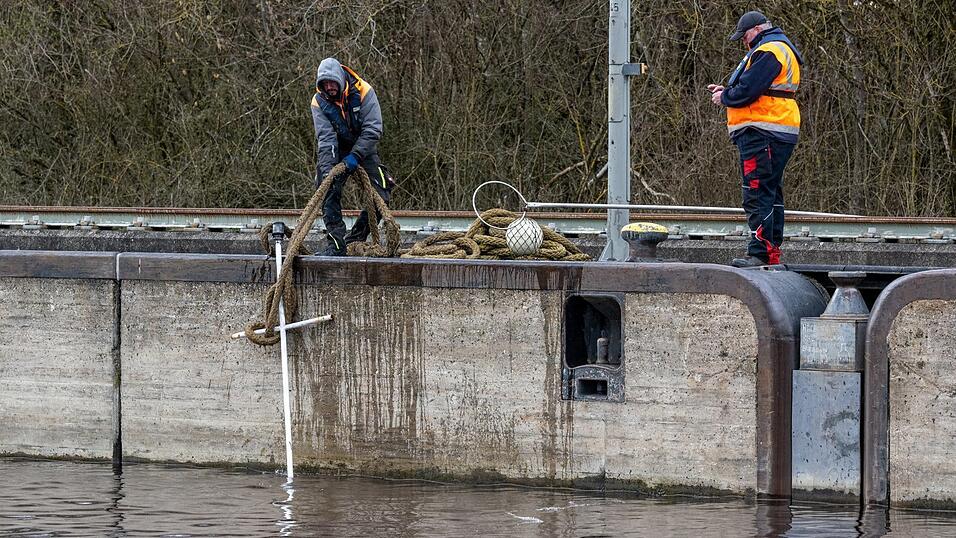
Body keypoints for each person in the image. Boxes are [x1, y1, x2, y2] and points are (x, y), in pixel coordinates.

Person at [707, 11, 803, 267]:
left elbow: (749, 89)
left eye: (744, 36)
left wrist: (725, 97)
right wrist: (727, 90)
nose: (743, 42)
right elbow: (760, 86)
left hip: (762, 131)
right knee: (770, 190)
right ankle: (771, 251)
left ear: (758, 29)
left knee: (757, 190)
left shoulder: (769, 50)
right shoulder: (779, 48)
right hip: (776, 128)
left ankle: (759, 252)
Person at [312, 57, 395, 256]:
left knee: (382, 190)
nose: (330, 88)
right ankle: (336, 244)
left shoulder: (364, 91)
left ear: (340, 80)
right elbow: (325, 138)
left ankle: (357, 237)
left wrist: (355, 156)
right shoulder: (318, 102)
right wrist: (330, 169)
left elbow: (373, 129)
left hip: (364, 146)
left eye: (332, 83)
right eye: (325, 84)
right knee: (327, 189)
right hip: (336, 147)